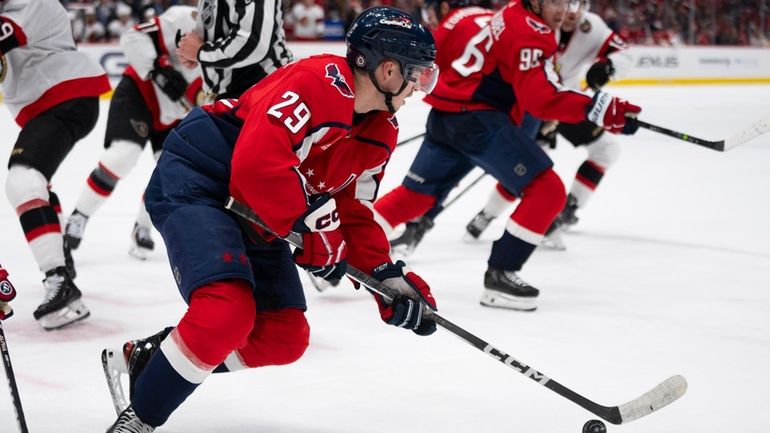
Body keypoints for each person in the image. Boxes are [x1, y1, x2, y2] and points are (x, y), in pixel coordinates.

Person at [103, 7, 440, 431]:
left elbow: (352, 210)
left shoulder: (380, 131)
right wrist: (309, 224)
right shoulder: (319, 82)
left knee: (283, 336)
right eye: (416, 73)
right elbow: (255, 165)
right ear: (387, 69)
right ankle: (140, 419)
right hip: (202, 179)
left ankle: (151, 361)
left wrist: (388, 278)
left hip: (256, 208)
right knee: (227, 312)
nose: (418, 85)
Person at [372, 0, 641, 311]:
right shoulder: (532, 31)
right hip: (480, 121)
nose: (564, 10)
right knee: (547, 190)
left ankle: (350, 248)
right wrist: (595, 107)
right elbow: (540, 100)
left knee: (416, 196)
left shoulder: (471, 15)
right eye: (555, 2)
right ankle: (501, 277)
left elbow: (434, 57)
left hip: (446, 114)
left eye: (570, 2)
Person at [463, 0, 633, 249]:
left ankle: (568, 208)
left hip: (567, 102)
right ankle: (488, 214)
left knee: (606, 149)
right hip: (528, 103)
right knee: (530, 167)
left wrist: (609, 66)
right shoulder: (528, 23)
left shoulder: (591, 26)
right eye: (566, 3)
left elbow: (624, 53)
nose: (572, 12)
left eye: (580, 4)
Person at [1, 0, 111, 330]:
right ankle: (63, 263)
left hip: (67, 97)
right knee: (37, 185)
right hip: (51, 104)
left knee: (23, 178)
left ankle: (60, 282)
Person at [64, 5, 202, 262]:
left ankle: (143, 226)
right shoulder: (185, 18)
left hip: (173, 116)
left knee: (169, 173)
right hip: (140, 94)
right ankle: (79, 215)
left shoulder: (235, 53)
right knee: (122, 156)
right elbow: (132, 36)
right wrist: (157, 72)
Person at [176, 0, 293, 100]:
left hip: (258, 92)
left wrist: (201, 52)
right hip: (232, 95)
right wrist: (193, 50)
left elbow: (253, 44)